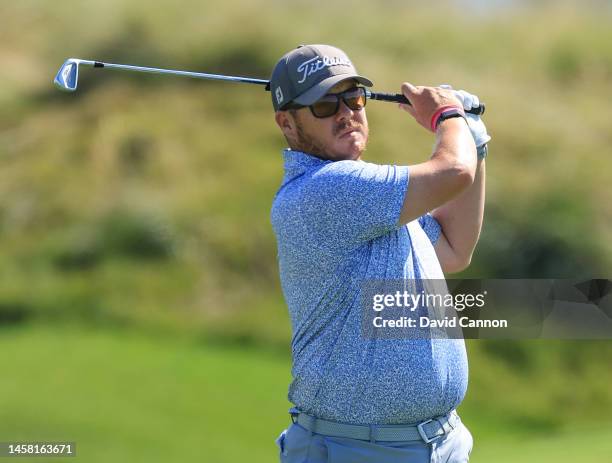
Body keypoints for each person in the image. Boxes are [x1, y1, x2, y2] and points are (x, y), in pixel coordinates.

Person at [269, 44, 490, 463]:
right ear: (288, 124)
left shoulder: (369, 201)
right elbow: (452, 172)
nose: (346, 112)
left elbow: (453, 247)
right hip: (355, 449)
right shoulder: (326, 190)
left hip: (441, 443)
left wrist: (474, 140)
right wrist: (448, 117)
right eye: (323, 105)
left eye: (354, 97)